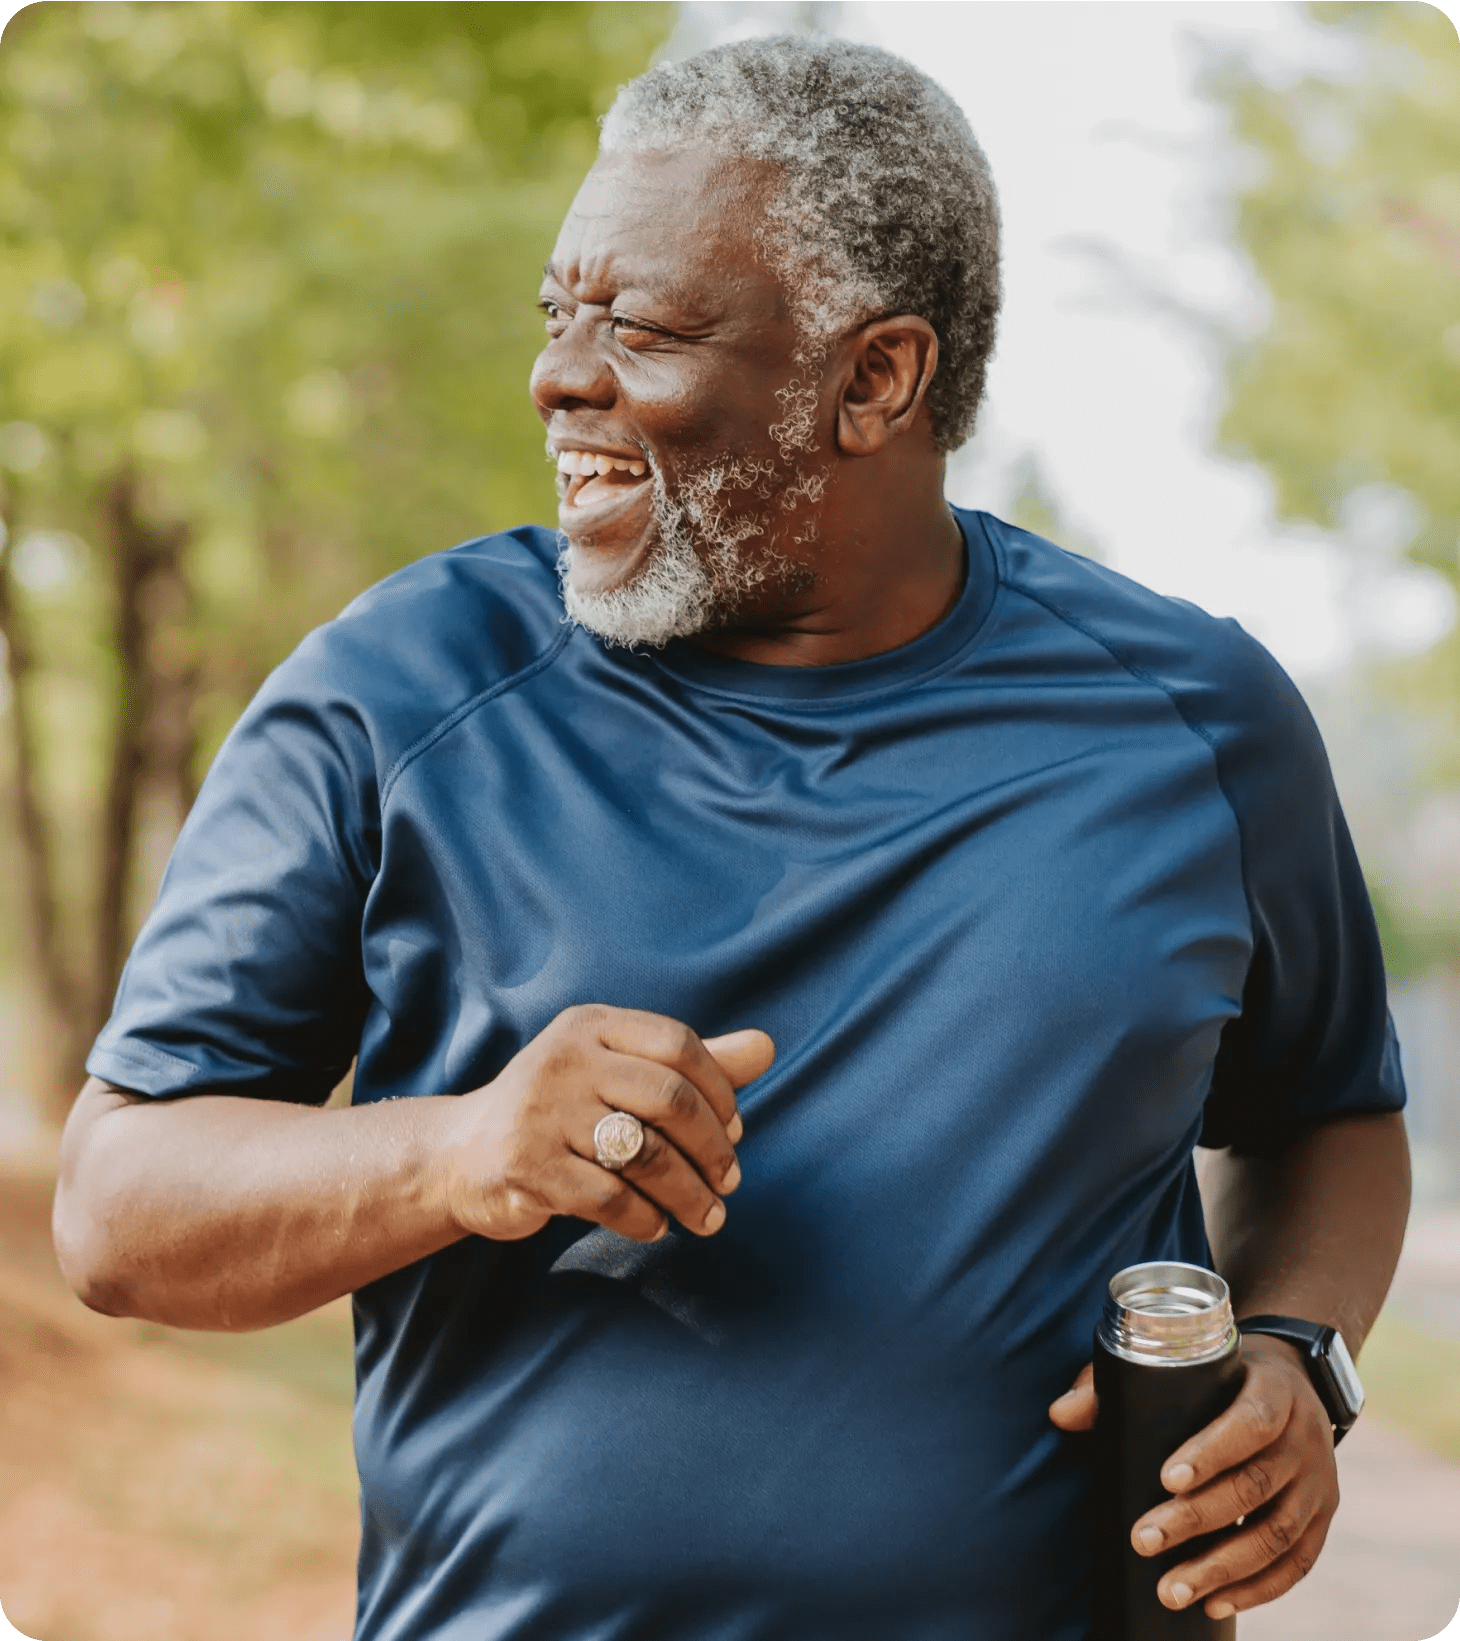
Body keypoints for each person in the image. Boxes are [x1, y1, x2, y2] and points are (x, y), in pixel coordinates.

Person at [52, 35, 1409, 1641]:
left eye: (641, 325)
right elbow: (119, 1209)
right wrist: (461, 1148)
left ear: (876, 379)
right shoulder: (398, 693)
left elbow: (1330, 1114)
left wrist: (1298, 1355)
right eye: (560, 311)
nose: (564, 374)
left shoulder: (1197, 722)